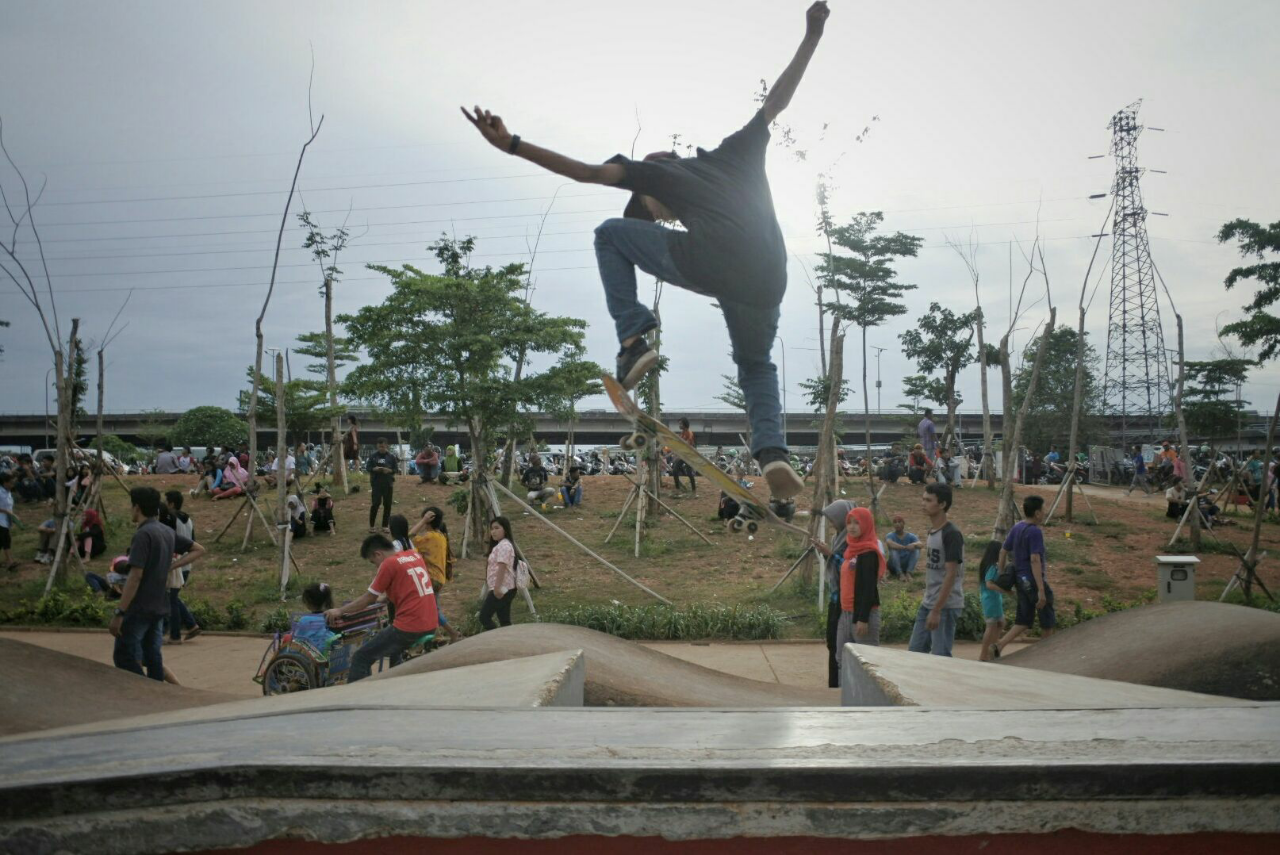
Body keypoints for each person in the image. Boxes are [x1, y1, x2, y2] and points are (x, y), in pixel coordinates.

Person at [461, 3, 833, 506]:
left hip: (715, 256)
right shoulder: (736, 150)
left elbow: (586, 173)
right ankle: (773, 453)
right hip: (769, 275)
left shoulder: (659, 173)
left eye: (651, 211)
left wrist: (512, 145)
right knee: (756, 364)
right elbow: (779, 99)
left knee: (609, 235)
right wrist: (813, 34)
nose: (657, 218)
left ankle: (633, 339)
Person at [109, 486, 205, 680]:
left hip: (139, 607)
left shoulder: (143, 535)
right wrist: (173, 566)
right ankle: (158, 695)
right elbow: (199, 549)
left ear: (137, 507)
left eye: (131, 507)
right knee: (153, 659)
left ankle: (144, 695)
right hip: (159, 606)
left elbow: (135, 576)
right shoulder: (166, 532)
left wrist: (120, 612)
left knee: (125, 657)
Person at [325, 533, 439, 683]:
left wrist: (339, 610)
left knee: (361, 657)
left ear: (378, 554)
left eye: (374, 562)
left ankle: (354, 699)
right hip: (431, 623)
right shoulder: (414, 555)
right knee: (393, 650)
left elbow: (368, 598)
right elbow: (410, 585)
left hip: (410, 627)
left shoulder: (389, 564)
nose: (376, 567)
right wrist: (387, 597)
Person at [907, 483, 964, 657]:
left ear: (942, 504)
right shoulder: (933, 532)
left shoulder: (952, 534)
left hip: (945, 606)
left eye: (928, 500)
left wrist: (937, 610)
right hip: (928, 603)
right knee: (915, 653)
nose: (923, 503)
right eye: (923, 499)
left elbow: (951, 574)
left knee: (940, 657)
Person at [995, 494, 1054, 655]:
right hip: (1034, 581)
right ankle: (1044, 655)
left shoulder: (1017, 527)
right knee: (1047, 621)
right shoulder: (1035, 532)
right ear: (1036, 513)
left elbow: (1003, 551)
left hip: (1021, 582)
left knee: (1024, 619)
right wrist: (1041, 589)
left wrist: (1002, 574)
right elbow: (1035, 560)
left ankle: (1000, 645)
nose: (1045, 513)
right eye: (1043, 510)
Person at [812, 499, 855, 687]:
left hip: (845, 599)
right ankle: (834, 685)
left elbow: (849, 567)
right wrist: (825, 552)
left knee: (839, 644)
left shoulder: (852, 541)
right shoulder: (837, 538)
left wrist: (830, 554)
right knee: (831, 642)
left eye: (833, 519)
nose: (831, 523)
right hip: (835, 597)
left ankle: (840, 685)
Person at [835, 506, 886, 662]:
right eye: (849, 522)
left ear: (866, 525)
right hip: (846, 613)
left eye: (857, 523)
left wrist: (862, 619)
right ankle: (846, 688)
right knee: (842, 659)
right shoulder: (851, 550)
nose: (852, 526)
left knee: (867, 663)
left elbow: (869, 588)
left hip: (863, 615)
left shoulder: (869, 552)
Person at [409, 506, 463, 643]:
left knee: (429, 610)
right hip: (438, 579)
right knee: (433, 609)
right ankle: (438, 636)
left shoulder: (430, 537)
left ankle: (451, 633)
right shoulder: (441, 536)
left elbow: (408, 538)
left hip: (430, 579)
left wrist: (422, 521)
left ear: (429, 520)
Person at [161, 491, 201, 644]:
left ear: (171, 503)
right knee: (173, 597)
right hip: (186, 563)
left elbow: (168, 540)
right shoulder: (188, 519)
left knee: (171, 599)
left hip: (174, 563)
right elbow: (193, 541)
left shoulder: (169, 518)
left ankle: (175, 635)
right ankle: (191, 625)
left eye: (166, 501)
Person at [480, 516, 519, 630]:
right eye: (492, 529)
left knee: (484, 617)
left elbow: (501, 567)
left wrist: (497, 588)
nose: (493, 531)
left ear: (505, 529)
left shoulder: (504, 546)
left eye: (497, 528)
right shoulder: (501, 545)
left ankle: (497, 640)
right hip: (506, 588)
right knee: (504, 620)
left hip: (502, 588)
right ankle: (508, 643)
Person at [977, 540, 1006, 662]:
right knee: (992, 625)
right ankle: (985, 654)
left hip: (990, 598)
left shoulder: (986, 564)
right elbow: (989, 584)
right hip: (991, 599)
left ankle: (992, 650)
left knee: (1000, 623)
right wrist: (1004, 590)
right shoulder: (993, 566)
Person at [366, 438, 398, 533]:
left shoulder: (391, 457)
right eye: (380, 446)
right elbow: (368, 468)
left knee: (387, 505)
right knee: (375, 504)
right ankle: (372, 526)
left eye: (383, 446)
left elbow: (396, 469)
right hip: (376, 484)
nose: (381, 448)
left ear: (386, 446)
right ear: (377, 446)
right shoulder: (373, 456)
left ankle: (385, 525)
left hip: (388, 483)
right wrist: (374, 469)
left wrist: (390, 471)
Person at [672, 418, 697, 495]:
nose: (679, 425)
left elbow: (687, 444)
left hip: (688, 455)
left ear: (685, 424)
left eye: (680, 424)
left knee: (689, 473)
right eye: (679, 424)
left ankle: (694, 490)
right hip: (683, 455)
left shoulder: (689, 433)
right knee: (675, 470)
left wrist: (678, 455)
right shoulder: (682, 433)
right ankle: (677, 489)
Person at [0, 471, 17, 571]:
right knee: (6, 540)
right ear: (4, 482)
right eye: (10, 483)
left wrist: (12, 517)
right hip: (0, 520)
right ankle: (10, 562)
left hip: (6, 520)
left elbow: (9, 506)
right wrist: (6, 511)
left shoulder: (8, 492)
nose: (12, 485)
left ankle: (10, 561)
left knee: (2, 541)